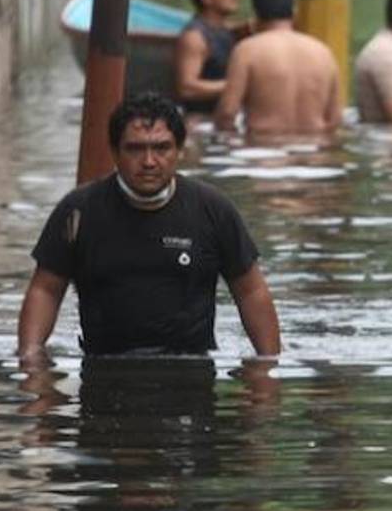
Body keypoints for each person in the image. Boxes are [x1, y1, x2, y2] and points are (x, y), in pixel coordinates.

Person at [17, 93, 281, 363]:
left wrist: (268, 364)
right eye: (135, 149)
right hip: (104, 368)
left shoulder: (212, 209)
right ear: (115, 152)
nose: (149, 162)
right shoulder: (79, 211)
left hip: (191, 370)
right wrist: (30, 357)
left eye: (161, 148)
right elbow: (46, 290)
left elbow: (250, 291)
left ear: (179, 150)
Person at [214, 0, 342, 135]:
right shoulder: (323, 52)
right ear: (294, 12)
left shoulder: (247, 51)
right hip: (314, 145)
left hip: (263, 145)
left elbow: (227, 113)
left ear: (254, 17)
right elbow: (335, 118)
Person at [174, 0, 247, 113]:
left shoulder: (226, 30)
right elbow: (187, 88)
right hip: (203, 119)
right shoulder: (194, 37)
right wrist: (238, 84)